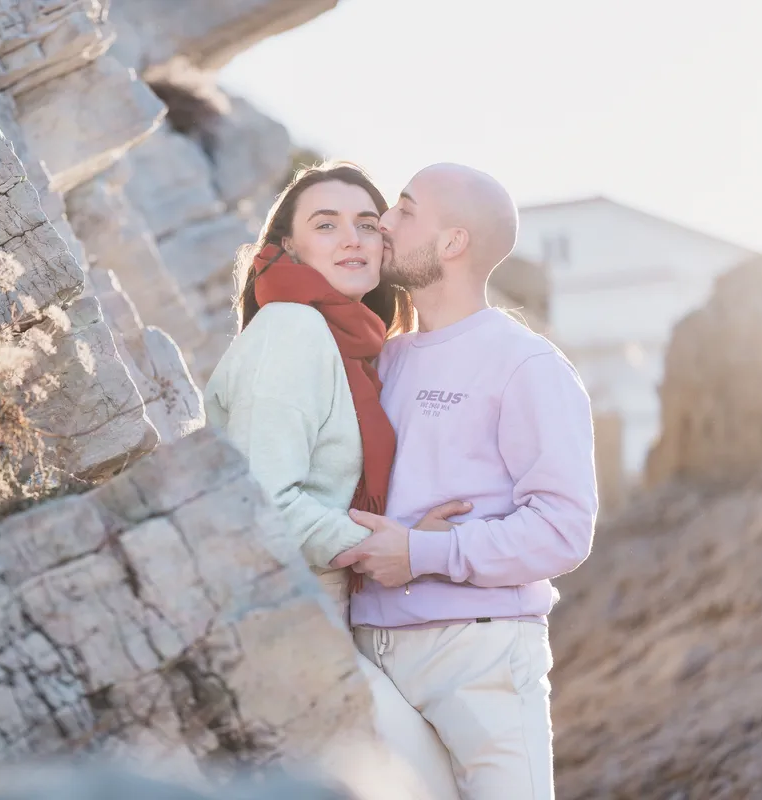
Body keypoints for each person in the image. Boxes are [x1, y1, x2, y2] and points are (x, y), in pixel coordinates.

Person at [332, 163, 599, 799]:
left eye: (402, 210)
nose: (381, 224)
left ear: (452, 243)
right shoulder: (381, 358)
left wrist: (425, 552)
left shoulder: (526, 365)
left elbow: (564, 530)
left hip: (479, 659)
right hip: (368, 655)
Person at [203, 162, 461, 799]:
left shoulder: (353, 344)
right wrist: (389, 545)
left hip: (334, 618)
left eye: (367, 224)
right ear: (288, 247)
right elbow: (264, 502)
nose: (352, 238)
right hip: (289, 621)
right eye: (327, 224)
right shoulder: (292, 328)